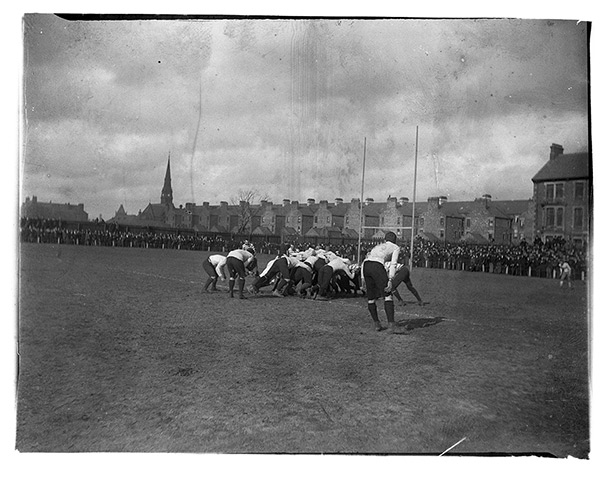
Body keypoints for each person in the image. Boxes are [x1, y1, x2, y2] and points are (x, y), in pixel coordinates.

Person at [362, 231, 406, 334]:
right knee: (388, 294)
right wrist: (391, 279)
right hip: (377, 266)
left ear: (385, 239)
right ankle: (391, 325)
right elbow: (393, 263)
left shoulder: (378, 246)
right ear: (395, 240)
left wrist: (363, 278)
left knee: (371, 298)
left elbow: (365, 260)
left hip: (366, 266)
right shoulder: (395, 247)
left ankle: (377, 324)